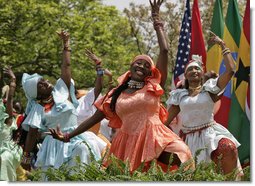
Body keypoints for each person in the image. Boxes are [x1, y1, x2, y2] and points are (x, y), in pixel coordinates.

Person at [49, 0, 194, 173]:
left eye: (146, 65)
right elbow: (92, 119)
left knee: (181, 154)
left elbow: (164, 51)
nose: (141, 66)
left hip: (156, 137)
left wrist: (157, 22)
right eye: (138, 63)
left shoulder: (153, 86)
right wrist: (67, 136)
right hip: (126, 144)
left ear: (150, 73)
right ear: (131, 68)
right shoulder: (114, 94)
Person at [20, 30, 107, 174]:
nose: (46, 83)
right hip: (53, 147)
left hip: (76, 137)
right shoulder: (37, 108)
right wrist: (27, 157)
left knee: (82, 153)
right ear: (36, 94)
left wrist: (66, 44)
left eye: (44, 80)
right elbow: (32, 134)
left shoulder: (62, 91)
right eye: (40, 84)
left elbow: (66, 66)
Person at [165, 31, 243, 178]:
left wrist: (222, 45)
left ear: (202, 74)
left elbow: (231, 70)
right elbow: (165, 121)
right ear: (186, 75)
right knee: (197, 176)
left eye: (197, 69)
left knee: (228, 147)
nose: (194, 71)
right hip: (189, 139)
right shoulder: (178, 96)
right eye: (190, 69)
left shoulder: (210, 89)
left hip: (211, 134)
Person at [0, 67, 23, 181]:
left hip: (6, 155)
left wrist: (13, 80)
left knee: (4, 159)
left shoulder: (7, 119)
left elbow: (10, 98)